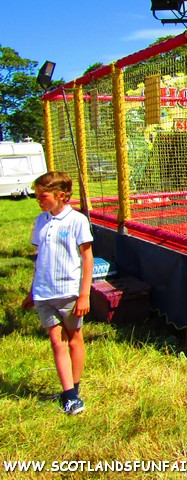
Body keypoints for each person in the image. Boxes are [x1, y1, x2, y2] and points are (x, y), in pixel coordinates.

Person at [21, 171, 93, 415]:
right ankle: (70, 395)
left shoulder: (77, 221)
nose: (38, 200)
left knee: (74, 338)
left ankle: (74, 387)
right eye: (36, 196)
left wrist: (84, 295)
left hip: (69, 291)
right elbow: (40, 257)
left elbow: (87, 257)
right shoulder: (41, 221)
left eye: (43, 196)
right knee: (56, 340)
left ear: (61, 196)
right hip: (44, 293)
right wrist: (33, 291)